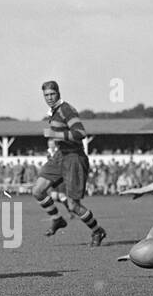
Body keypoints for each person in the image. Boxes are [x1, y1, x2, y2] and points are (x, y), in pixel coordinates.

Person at [32, 81, 106, 246]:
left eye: (52, 94)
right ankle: (57, 219)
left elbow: (80, 133)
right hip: (60, 156)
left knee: (73, 205)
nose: (49, 98)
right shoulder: (54, 112)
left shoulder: (66, 109)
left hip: (74, 157)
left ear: (58, 93)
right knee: (37, 190)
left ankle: (97, 230)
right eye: (46, 95)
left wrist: (55, 134)